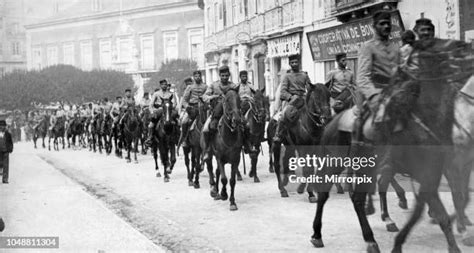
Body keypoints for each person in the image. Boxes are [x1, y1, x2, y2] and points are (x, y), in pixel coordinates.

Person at [354, 10, 400, 143]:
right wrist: (374, 96)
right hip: (375, 92)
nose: (386, 26)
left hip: (395, 92)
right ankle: (383, 160)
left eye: (388, 24)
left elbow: (400, 73)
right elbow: (362, 78)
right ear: (374, 27)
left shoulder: (396, 47)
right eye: (382, 24)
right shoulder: (367, 47)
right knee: (383, 119)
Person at [272, 54, 313, 144]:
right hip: (292, 100)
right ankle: (278, 134)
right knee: (283, 115)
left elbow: (309, 88)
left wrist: (310, 91)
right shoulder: (287, 76)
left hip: (303, 98)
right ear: (290, 64)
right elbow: (283, 92)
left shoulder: (304, 75)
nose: (294, 64)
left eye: (296, 62)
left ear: (299, 63)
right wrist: (290, 97)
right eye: (292, 62)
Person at [177, 71, 208, 148]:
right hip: (192, 108)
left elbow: (208, 97)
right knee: (184, 122)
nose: (198, 77)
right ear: (194, 77)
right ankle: (185, 139)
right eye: (196, 76)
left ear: (201, 77)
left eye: (199, 76)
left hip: (203, 108)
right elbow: (184, 100)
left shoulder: (205, 87)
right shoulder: (190, 87)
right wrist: (187, 106)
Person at [145, 80, 179, 146]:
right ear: (160, 85)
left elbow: (175, 103)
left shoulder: (171, 94)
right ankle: (150, 138)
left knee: (177, 120)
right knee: (151, 124)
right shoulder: (156, 94)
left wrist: (171, 107)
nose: (164, 86)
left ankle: (178, 136)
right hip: (159, 110)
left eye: (165, 84)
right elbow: (151, 104)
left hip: (169, 110)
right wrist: (152, 112)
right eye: (163, 84)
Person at [237, 70, 259, 153]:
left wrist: (252, 97)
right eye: (243, 76)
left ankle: (259, 134)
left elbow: (256, 93)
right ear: (240, 77)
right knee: (242, 122)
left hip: (250, 104)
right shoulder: (237, 86)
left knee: (258, 116)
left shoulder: (250, 85)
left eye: (245, 76)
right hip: (241, 105)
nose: (244, 78)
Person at [0, 120, 14, 184]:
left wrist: (10, 149)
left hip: (6, 151)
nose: (2, 127)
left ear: (5, 127)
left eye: (3, 126)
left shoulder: (8, 134)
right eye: (1, 126)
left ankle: (5, 179)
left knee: (6, 166)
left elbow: (11, 142)